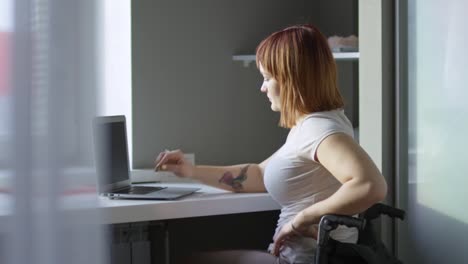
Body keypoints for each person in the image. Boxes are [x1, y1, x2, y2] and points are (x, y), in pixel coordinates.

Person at [154, 24, 387, 264]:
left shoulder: (319, 129)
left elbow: (371, 185)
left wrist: (301, 220)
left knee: (186, 259)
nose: (262, 87)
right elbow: (258, 174)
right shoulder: (312, 125)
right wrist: (190, 170)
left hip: (301, 260)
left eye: (267, 78)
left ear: (291, 78)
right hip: (295, 256)